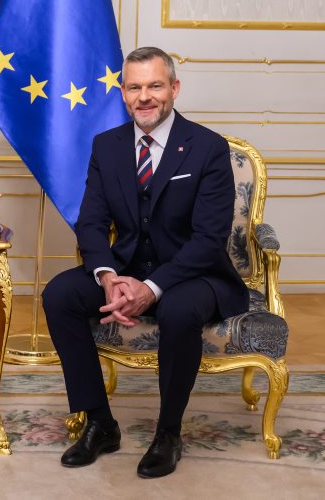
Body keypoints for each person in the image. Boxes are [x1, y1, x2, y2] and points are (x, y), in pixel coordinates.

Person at [42, 47, 249, 478]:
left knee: (177, 308)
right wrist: (108, 276)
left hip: (195, 275)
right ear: (123, 93)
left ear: (174, 89)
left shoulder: (208, 148)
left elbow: (209, 240)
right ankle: (100, 422)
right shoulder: (107, 146)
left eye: (155, 85)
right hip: (127, 268)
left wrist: (151, 288)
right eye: (134, 87)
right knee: (60, 293)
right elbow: (92, 222)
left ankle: (168, 433)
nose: (145, 96)